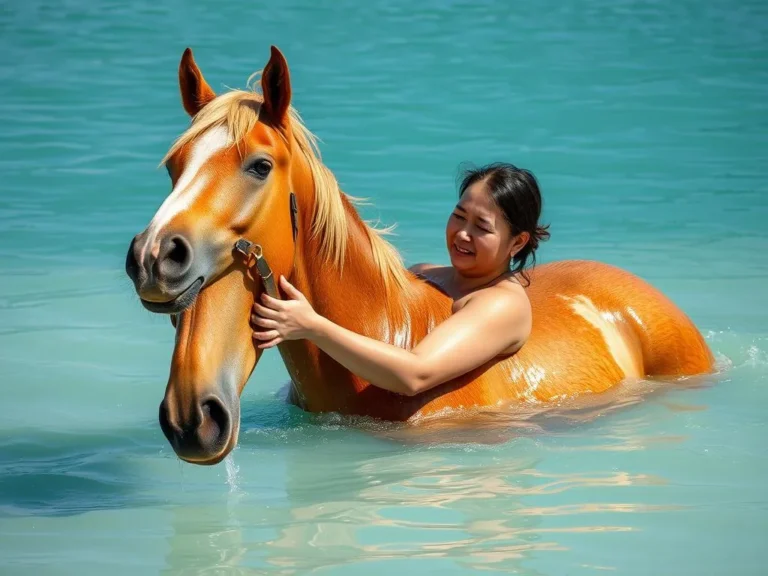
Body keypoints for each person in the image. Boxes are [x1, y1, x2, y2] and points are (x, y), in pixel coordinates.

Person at [250, 162, 550, 396]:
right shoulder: (422, 273)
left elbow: (415, 376)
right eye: (459, 216)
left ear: (518, 242)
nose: (462, 234)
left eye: (481, 227)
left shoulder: (502, 304)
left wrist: (313, 326)